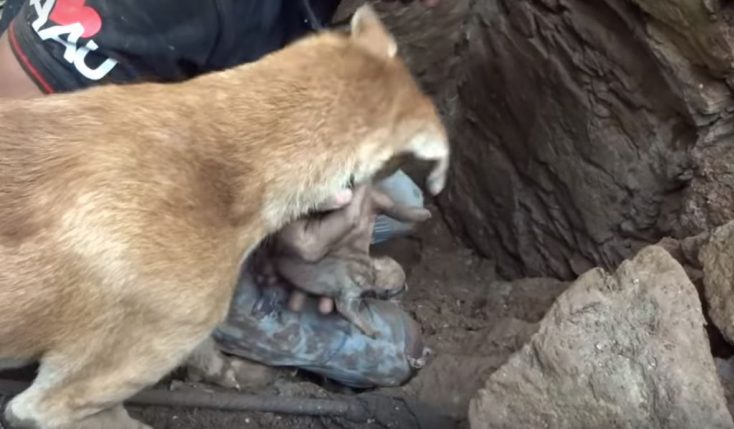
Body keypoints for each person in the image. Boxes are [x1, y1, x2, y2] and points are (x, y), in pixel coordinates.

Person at [0, 0, 439, 388]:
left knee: (400, 205)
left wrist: (311, 182)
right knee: (395, 352)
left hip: (179, 141)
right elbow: (15, 133)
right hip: (90, 207)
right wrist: (253, 222)